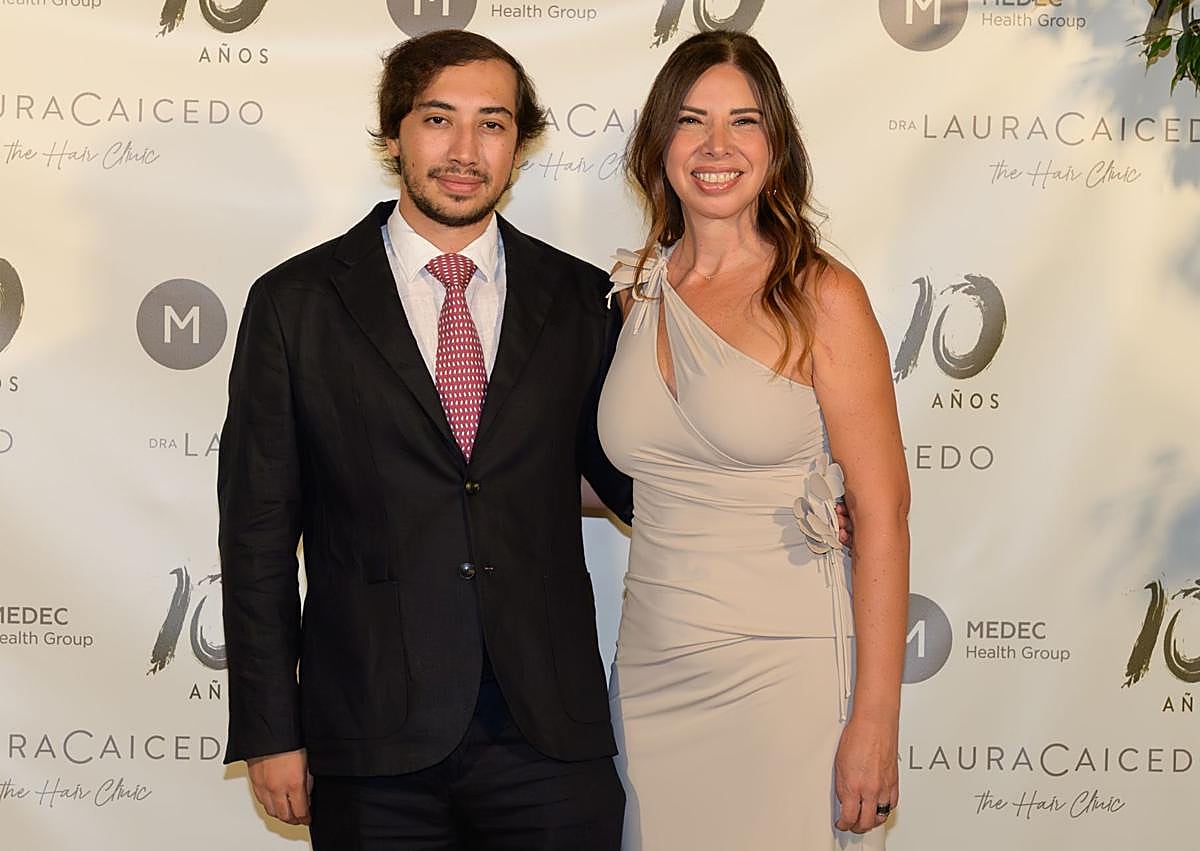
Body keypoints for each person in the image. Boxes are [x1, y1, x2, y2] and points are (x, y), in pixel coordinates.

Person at [217, 30, 634, 850]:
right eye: (439, 119)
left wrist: (783, 497)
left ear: (521, 143)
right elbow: (258, 534)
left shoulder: (586, 299)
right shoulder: (294, 304)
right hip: (371, 737)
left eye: (494, 123)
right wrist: (271, 728)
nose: (465, 150)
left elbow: (637, 478)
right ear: (394, 133)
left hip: (549, 734)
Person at [598, 30, 910, 850]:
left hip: (789, 680)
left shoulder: (822, 294)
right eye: (692, 120)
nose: (715, 147)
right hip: (650, 672)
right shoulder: (637, 292)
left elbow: (882, 512)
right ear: (659, 139)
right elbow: (631, 476)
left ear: (777, 145)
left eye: (744, 122)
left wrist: (875, 720)